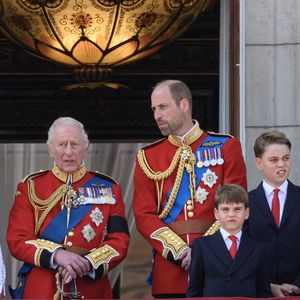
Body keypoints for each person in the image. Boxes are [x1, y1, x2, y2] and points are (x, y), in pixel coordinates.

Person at [133, 79, 247, 297]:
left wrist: (202, 251)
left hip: (218, 267)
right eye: (154, 109)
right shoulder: (147, 157)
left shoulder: (226, 146)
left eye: (163, 107)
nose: (157, 115)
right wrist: (179, 251)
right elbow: (143, 215)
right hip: (170, 271)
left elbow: (237, 204)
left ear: (184, 105)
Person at [6, 117, 130, 299]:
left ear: (86, 147)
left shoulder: (109, 189)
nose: (69, 152)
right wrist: (57, 256)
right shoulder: (30, 187)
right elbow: (17, 239)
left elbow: (120, 240)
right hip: (42, 288)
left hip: (90, 287)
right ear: (50, 149)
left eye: (75, 144)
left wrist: (87, 263)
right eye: (62, 144)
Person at [187, 184, 271, 298]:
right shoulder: (202, 245)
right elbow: (194, 290)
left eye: (237, 209)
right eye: (225, 209)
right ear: (216, 213)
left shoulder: (257, 247)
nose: (231, 214)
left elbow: (263, 292)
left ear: (246, 213)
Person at [248, 130, 300, 297]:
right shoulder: (247, 202)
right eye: (273, 160)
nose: (281, 164)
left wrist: (297, 285)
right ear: (259, 163)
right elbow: (243, 252)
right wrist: (267, 286)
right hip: (259, 292)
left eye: (286, 158)